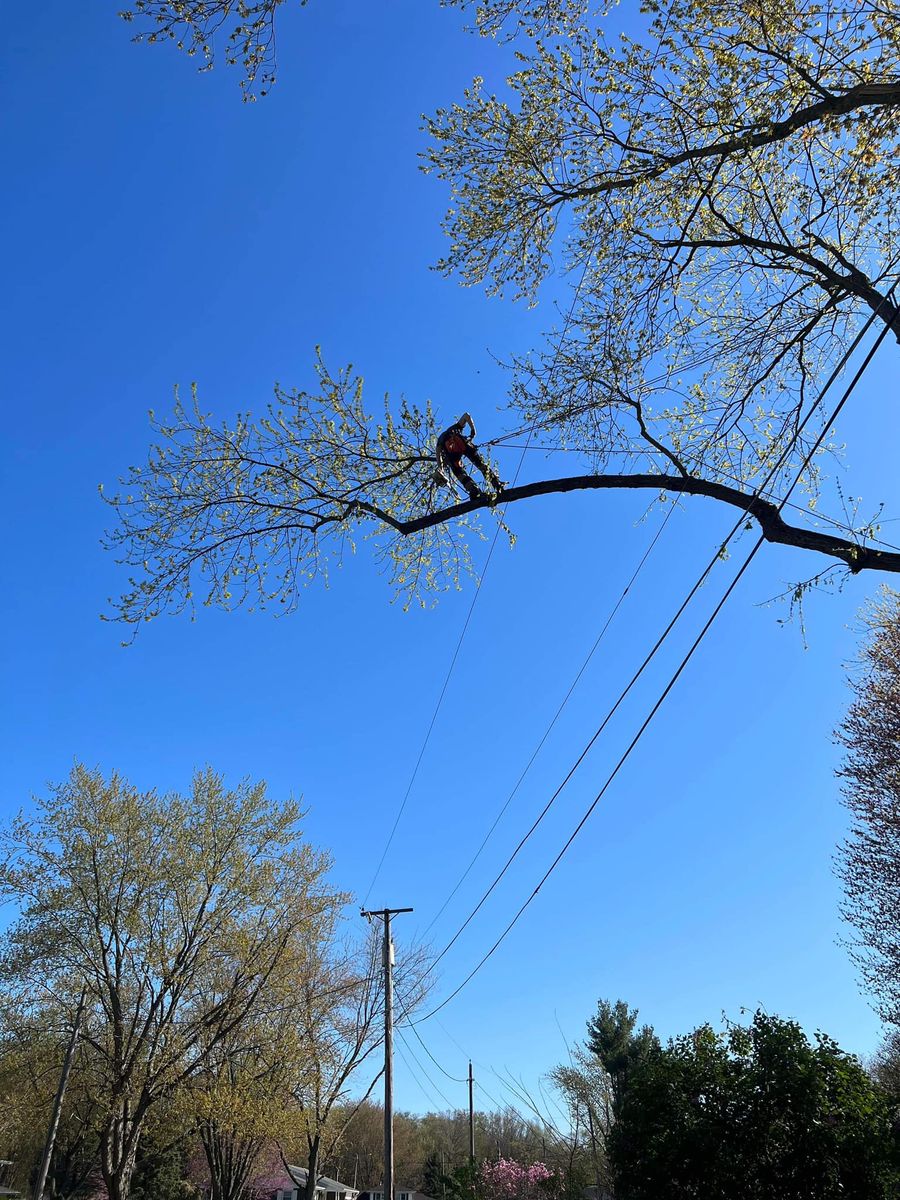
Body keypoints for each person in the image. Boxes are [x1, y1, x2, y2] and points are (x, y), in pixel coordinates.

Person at [434, 412, 505, 501]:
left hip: (451, 451)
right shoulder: (455, 428)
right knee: (480, 464)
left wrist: (441, 469)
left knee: (459, 472)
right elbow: (466, 415)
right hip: (462, 443)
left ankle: (473, 490)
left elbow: (438, 455)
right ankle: (496, 484)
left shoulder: (440, 441)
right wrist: (473, 430)